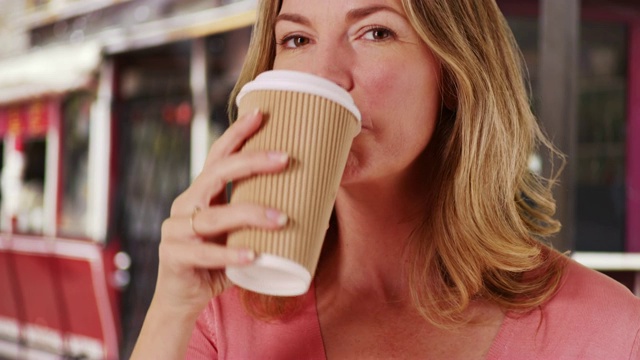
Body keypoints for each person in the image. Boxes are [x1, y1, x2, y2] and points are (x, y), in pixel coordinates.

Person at [131, 0, 640, 359]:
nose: (325, 74)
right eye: (297, 38)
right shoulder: (218, 314)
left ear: (453, 72)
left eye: (375, 31)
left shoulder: (607, 331)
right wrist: (171, 308)